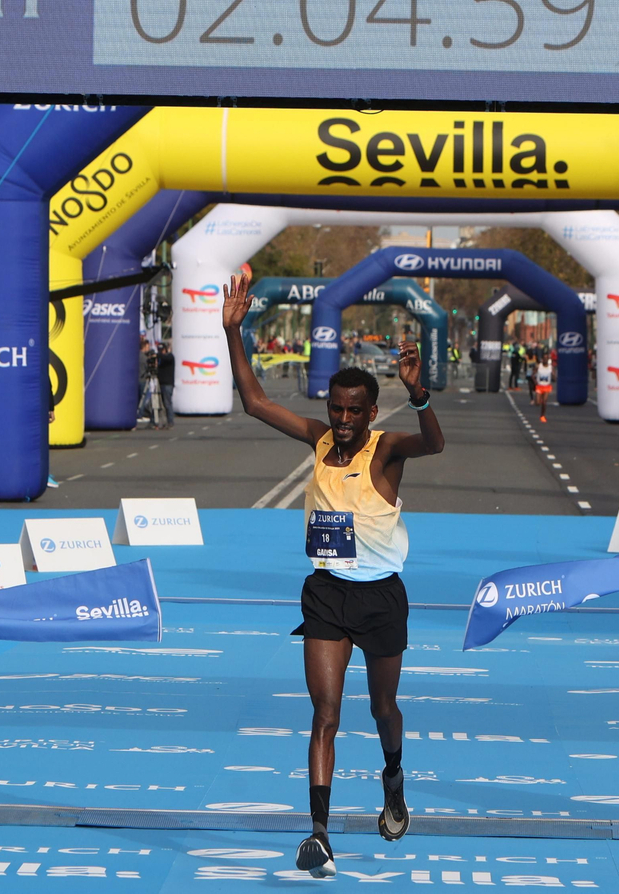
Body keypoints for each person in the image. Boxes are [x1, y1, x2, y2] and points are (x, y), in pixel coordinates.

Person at [221, 273, 444, 879]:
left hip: (381, 597)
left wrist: (419, 395)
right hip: (325, 593)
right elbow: (255, 402)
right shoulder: (319, 440)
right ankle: (318, 833)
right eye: (336, 409)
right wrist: (233, 332)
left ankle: (393, 778)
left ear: (371, 412)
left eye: (353, 412)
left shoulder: (386, 449)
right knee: (325, 713)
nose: (342, 420)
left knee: (383, 709)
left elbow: (435, 444)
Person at [155, 339, 176, 428]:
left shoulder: (170, 357)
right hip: (161, 383)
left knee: (167, 404)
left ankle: (170, 421)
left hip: (168, 384)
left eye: (162, 350)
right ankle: (164, 421)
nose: (161, 352)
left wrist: (158, 355)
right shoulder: (161, 359)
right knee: (162, 404)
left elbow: (165, 358)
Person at [532, 352, 553, 423]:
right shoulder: (539, 366)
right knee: (537, 403)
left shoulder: (550, 367)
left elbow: (554, 376)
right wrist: (535, 382)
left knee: (544, 402)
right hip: (539, 386)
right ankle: (538, 399)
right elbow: (532, 375)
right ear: (542, 359)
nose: (545, 360)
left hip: (547, 386)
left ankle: (542, 415)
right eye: (544, 358)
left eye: (546, 358)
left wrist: (554, 376)